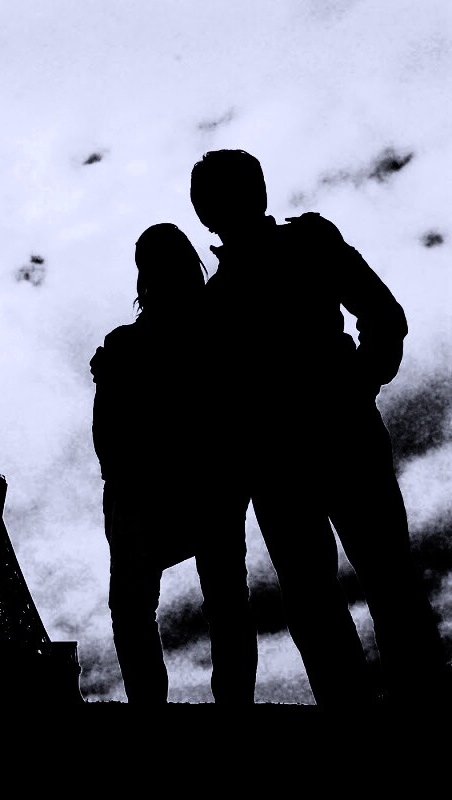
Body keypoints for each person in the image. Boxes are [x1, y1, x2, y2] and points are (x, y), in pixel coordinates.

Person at [190, 148, 450, 706]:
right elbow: (383, 314)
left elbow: (383, 315)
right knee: (361, 586)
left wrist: (361, 381)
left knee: (342, 592)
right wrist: (360, 381)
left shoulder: (241, 285)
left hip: (301, 450)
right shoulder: (285, 257)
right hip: (313, 446)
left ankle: (382, 701)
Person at [91, 223, 257, 704]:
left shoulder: (124, 345)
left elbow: (107, 428)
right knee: (226, 599)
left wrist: (119, 479)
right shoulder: (222, 328)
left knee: (133, 607)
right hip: (212, 481)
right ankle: (234, 706)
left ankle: (149, 706)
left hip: (144, 487)